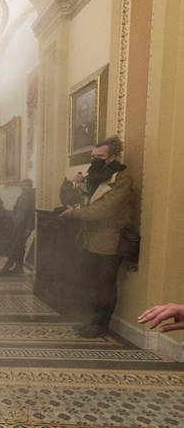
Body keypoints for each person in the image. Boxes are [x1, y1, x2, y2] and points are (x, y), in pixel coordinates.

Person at [58, 136, 132, 338]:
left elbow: (104, 209)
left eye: (100, 156)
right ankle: (92, 319)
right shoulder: (93, 176)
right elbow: (69, 199)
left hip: (110, 239)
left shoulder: (122, 178)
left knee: (105, 283)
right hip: (89, 238)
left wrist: (75, 213)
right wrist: (68, 183)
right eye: (93, 155)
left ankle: (102, 323)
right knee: (90, 282)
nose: (94, 159)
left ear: (112, 157)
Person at [0, 179, 36, 275]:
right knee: (20, 246)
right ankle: (19, 268)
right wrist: (15, 218)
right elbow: (15, 208)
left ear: (30, 186)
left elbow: (33, 213)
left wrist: (30, 228)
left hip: (25, 227)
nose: (23, 187)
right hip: (17, 225)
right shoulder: (20, 197)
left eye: (26, 185)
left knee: (16, 247)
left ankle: (6, 267)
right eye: (22, 185)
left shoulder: (33, 197)